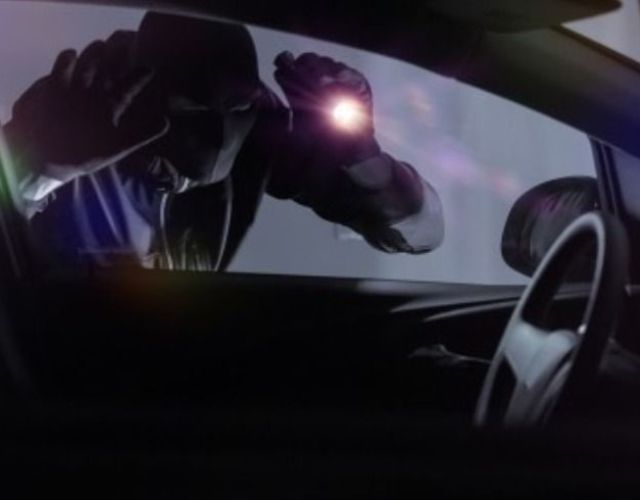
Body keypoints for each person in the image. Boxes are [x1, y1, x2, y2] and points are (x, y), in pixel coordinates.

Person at [2, 12, 444, 272]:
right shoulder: (76, 108)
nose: (217, 133)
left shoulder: (259, 125)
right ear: (143, 91)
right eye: (190, 109)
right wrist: (38, 168)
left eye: (235, 107)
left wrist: (365, 160)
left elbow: (421, 234)